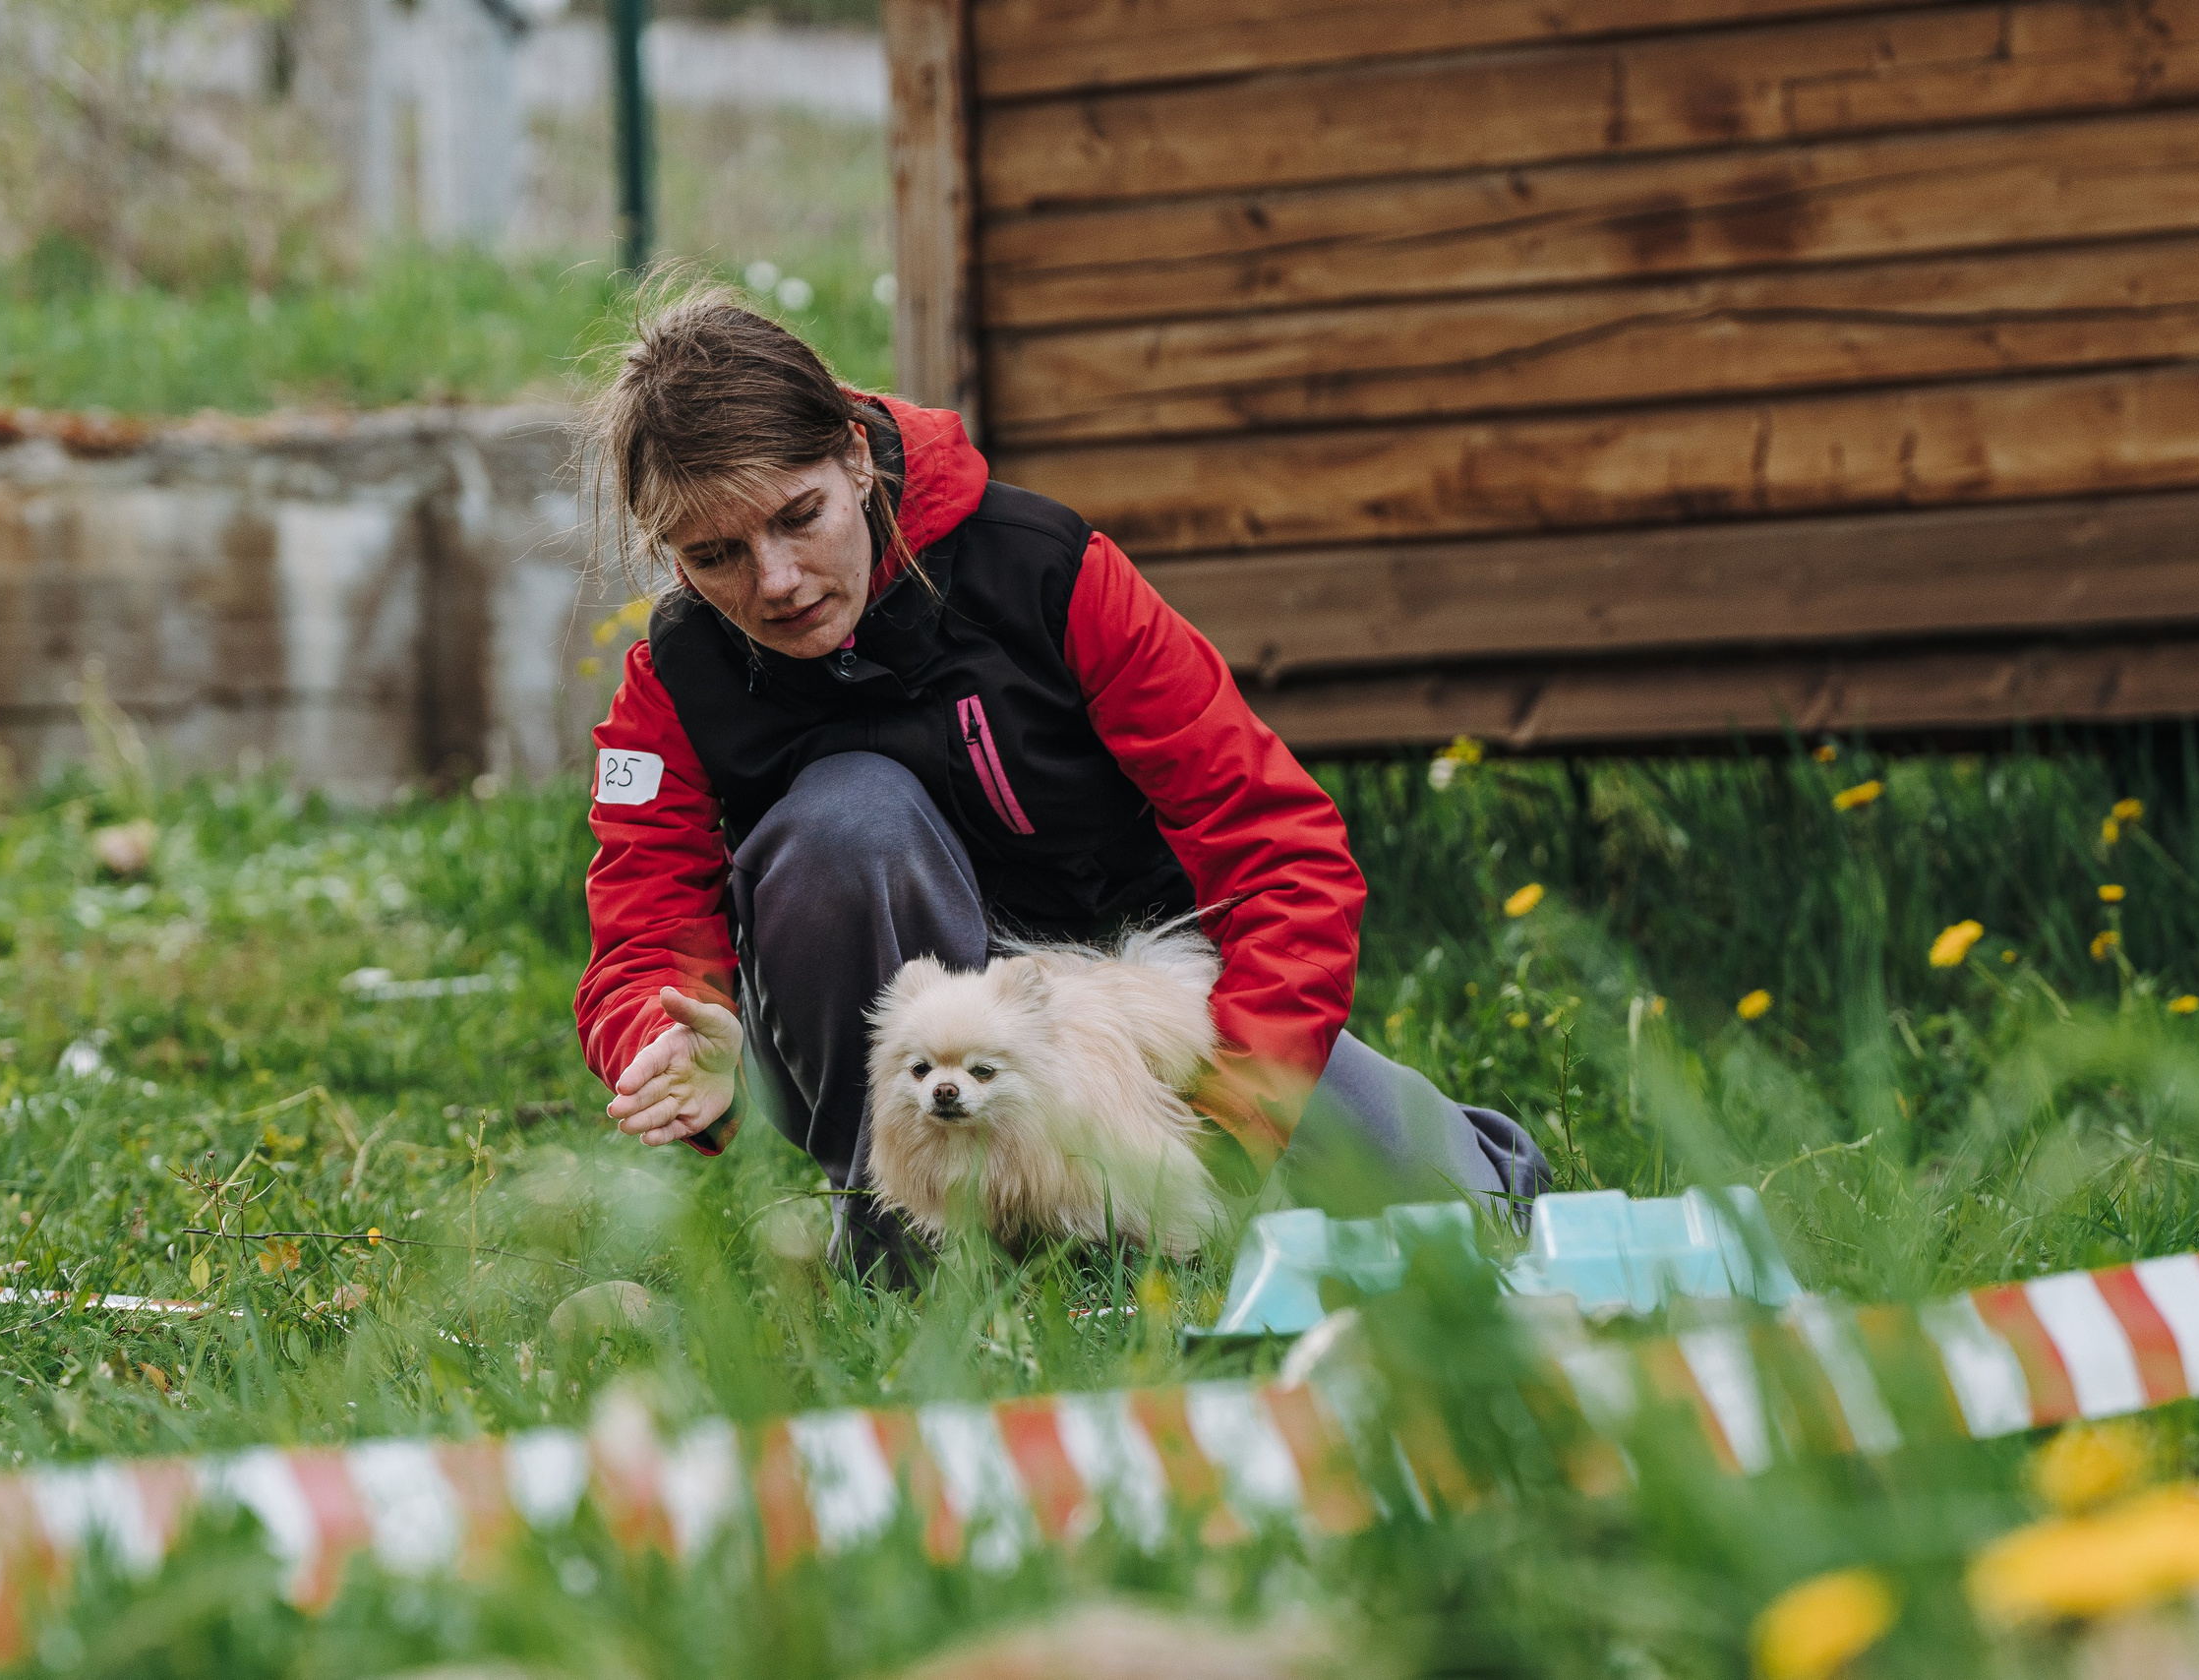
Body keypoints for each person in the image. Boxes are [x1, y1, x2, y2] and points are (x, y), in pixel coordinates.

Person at [574, 290, 1547, 1278]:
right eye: (716, 556)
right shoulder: (674, 680)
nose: (775, 580)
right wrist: (663, 1035)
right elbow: (642, 933)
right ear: (671, 554)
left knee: (1454, 1209)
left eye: (799, 517)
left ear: (855, 456)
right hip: (918, 1051)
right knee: (846, 818)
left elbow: (1275, 846)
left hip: (1138, 1012)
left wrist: (1235, 1118)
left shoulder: (1044, 571)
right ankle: (901, 1247)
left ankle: (1416, 1163)